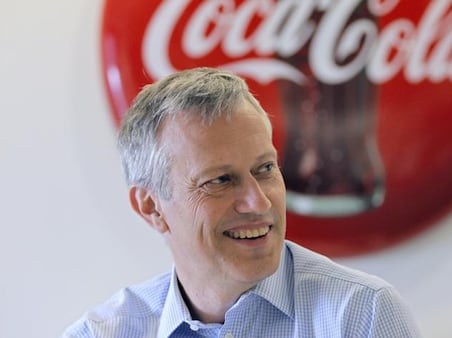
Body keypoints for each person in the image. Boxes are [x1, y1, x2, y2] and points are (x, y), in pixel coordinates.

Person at [63, 67, 421, 337]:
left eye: (265, 168)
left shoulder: (361, 316)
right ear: (151, 208)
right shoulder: (100, 334)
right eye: (220, 180)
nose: (258, 201)